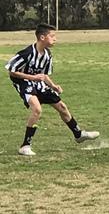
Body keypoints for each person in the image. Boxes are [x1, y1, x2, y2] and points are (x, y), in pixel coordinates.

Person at [5, 23, 99, 156]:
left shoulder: (47, 54)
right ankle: (25, 146)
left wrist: (53, 86)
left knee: (62, 107)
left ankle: (78, 134)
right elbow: (11, 71)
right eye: (52, 36)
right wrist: (32, 77)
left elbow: (43, 76)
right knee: (37, 109)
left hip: (38, 83)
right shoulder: (27, 53)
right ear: (42, 37)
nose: (55, 39)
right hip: (25, 84)